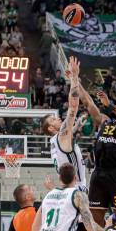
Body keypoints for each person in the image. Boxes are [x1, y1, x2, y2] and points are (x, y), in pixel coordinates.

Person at [80, 83, 116, 227]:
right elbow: (88, 103)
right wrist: (75, 81)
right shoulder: (105, 120)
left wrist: (111, 105)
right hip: (98, 173)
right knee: (95, 220)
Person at [42, 56, 87, 191]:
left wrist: (77, 125)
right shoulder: (62, 135)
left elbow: (67, 137)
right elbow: (73, 106)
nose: (58, 119)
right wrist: (74, 78)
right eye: (53, 119)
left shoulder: (55, 143)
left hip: (68, 189)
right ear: (50, 128)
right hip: (78, 189)